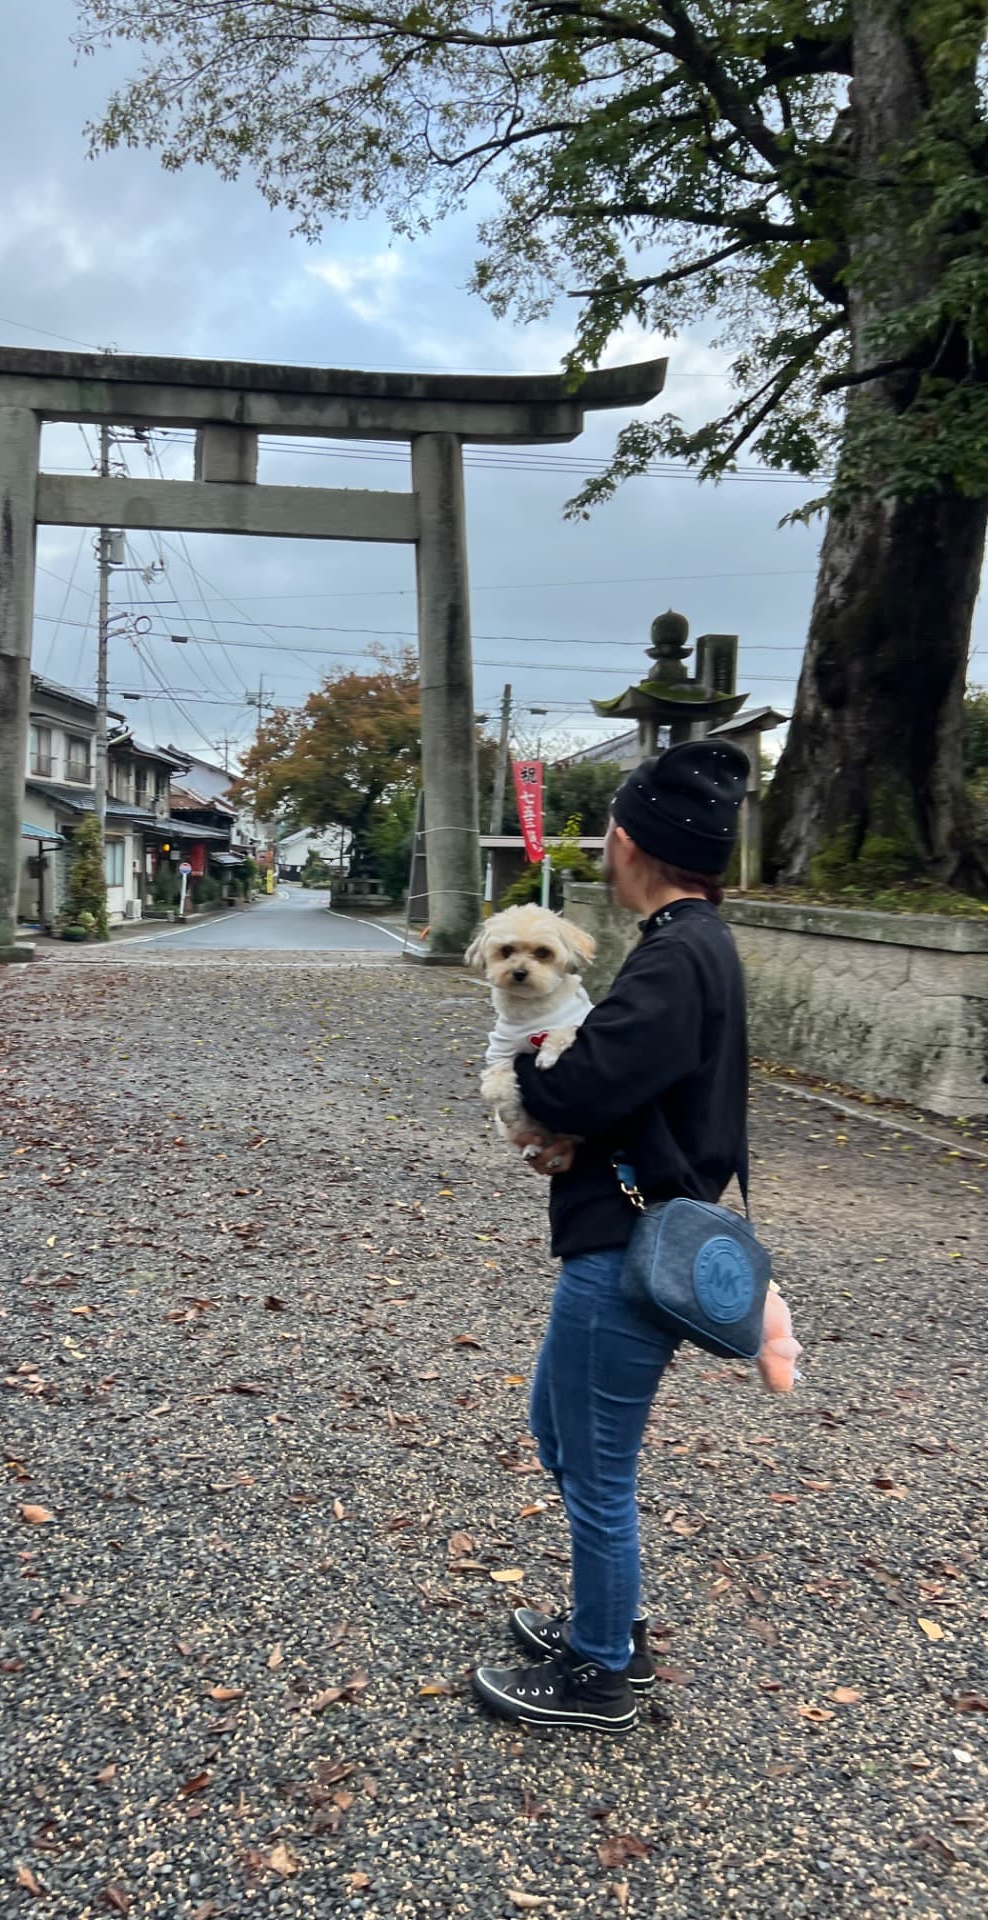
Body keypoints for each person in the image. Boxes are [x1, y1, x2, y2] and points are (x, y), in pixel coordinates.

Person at [472, 739, 752, 1733]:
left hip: (629, 1248)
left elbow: (581, 1085)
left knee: (594, 1463)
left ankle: (600, 1672)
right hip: (619, 1228)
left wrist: (528, 1087)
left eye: (608, 832)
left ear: (631, 843)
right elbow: (630, 1087)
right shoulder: (692, 945)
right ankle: (608, 1620)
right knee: (558, 1429)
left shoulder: (676, 956)